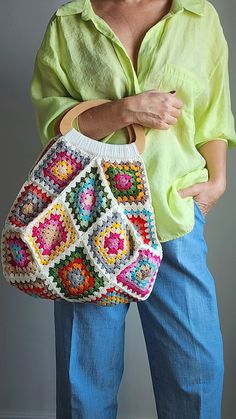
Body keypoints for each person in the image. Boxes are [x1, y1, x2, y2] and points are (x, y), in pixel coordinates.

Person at [30, 0, 236, 418]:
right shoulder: (69, 23)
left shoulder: (198, 16)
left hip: (173, 216)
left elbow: (214, 113)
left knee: (195, 374)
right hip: (87, 227)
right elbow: (54, 124)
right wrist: (124, 110)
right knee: (84, 384)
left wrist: (217, 180)